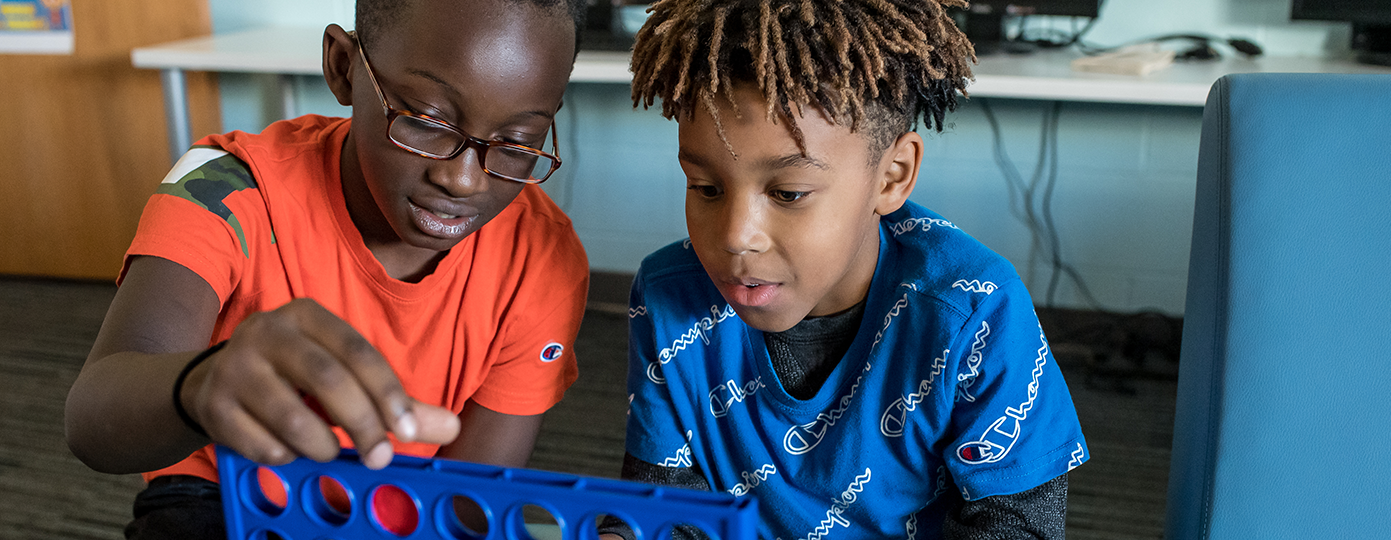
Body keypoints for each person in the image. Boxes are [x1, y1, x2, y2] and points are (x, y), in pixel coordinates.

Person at [63, 0, 589, 537]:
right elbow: (92, 421)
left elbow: (468, 502)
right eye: (427, 120)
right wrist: (200, 384)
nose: (465, 180)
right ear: (343, 67)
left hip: (408, 509)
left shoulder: (542, 257)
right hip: (224, 493)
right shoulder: (230, 190)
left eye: (517, 144)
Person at [601, 0, 1089, 538]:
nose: (735, 236)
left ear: (891, 177)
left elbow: (1016, 527)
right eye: (706, 188)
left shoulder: (975, 312)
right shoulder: (669, 295)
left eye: (789, 193)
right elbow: (666, 511)